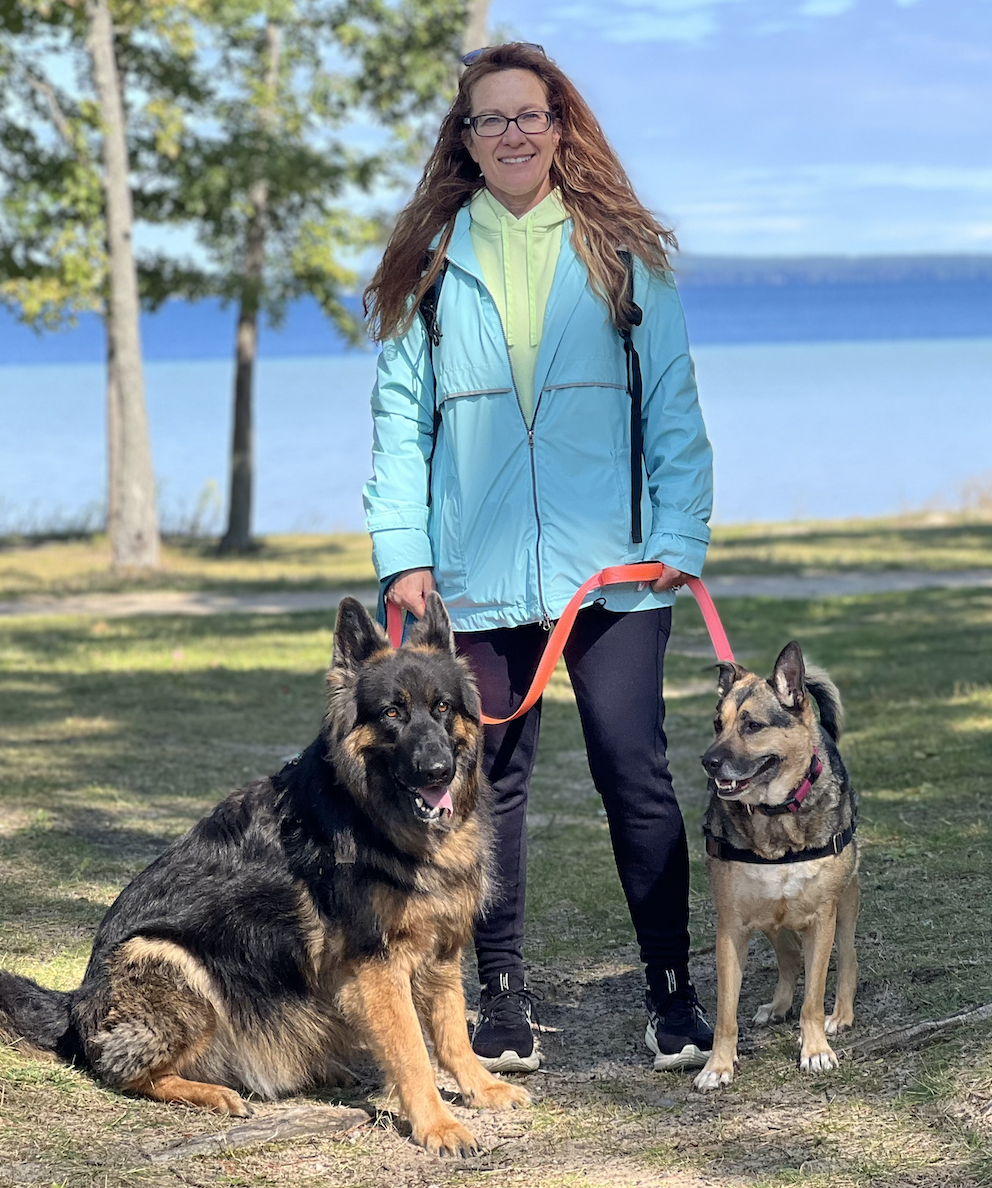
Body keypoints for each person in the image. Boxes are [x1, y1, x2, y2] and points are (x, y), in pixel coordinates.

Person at [362, 43, 714, 1075]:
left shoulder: (621, 254)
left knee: (633, 773)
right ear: (463, 141)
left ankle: (670, 997)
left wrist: (674, 542)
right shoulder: (428, 265)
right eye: (489, 120)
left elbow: (674, 415)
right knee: (484, 787)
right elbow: (397, 431)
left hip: (613, 572)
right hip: (471, 580)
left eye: (529, 115)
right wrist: (402, 558)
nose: (511, 134)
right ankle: (500, 1003)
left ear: (560, 126)